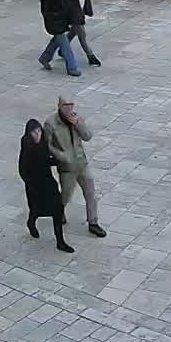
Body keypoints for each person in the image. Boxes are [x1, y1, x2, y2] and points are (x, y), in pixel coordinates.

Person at [46, 96, 106, 237]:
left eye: (71, 104)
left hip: (82, 163)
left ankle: (93, 222)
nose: (69, 107)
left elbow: (87, 136)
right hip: (67, 168)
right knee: (66, 195)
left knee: (90, 193)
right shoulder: (50, 123)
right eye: (66, 104)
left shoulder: (76, 117)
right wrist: (61, 155)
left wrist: (78, 124)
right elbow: (47, 145)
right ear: (59, 105)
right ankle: (59, 213)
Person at [18, 118, 73, 253]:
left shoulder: (43, 144)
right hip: (35, 188)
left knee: (57, 210)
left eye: (38, 131)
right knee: (36, 211)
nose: (37, 135)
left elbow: (45, 161)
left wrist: (59, 161)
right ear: (29, 134)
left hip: (48, 184)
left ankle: (60, 241)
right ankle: (31, 224)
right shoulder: (27, 147)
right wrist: (31, 186)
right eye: (34, 132)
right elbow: (23, 170)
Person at [37, 0, 82, 76]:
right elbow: (53, 4)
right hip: (54, 20)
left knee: (58, 39)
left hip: (60, 19)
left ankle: (45, 57)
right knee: (64, 43)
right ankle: (72, 67)